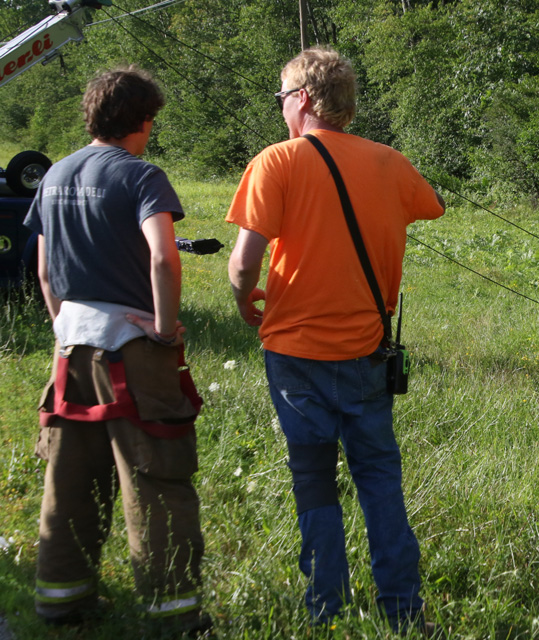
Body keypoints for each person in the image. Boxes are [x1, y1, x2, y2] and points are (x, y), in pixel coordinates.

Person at [226, 46, 445, 633]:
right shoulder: (389, 163)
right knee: (379, 475)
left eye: (281, 97)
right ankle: (402, 609)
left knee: (313, 475)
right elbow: (432, 206)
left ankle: (327, 609)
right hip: (367, 350)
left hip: (295, 353)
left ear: (301, 99)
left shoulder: (276, 162)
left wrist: (242, 296)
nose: (280, 108)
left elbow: (245, 264)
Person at [23, 66, 209, 635]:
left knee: (70, 475)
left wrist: (63, 325)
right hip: (131, 350)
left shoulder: (53, 175)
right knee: (156, 476)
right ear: (144, 119)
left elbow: (45, 268)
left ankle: (61, 599)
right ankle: (174, 614)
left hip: (70, 345)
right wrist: (165, 327)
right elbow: (162, 256)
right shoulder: (142, 175)